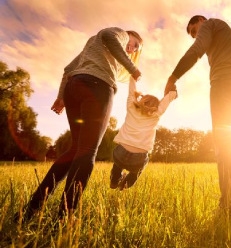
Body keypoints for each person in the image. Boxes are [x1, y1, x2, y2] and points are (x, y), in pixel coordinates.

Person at [15, 27, 143, 222]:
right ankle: (64, 217)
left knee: (75, 150)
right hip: (98, 88)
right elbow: (109, 35)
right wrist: (132, 68)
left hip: (75, 88)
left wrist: (61, 97)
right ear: (129, 35)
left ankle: (31, 209)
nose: (132, 49)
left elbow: (68, 70)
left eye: (135, 49)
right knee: (88, 151)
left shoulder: (93, 45)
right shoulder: (119, 33)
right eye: (134, 44)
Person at [164, 15, 231, 210]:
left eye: (195, 31)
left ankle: (229, 204)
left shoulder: (210, 24)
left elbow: (197, 50)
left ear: (201, 21)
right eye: (193, 34)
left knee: (226, 143)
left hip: (224, 84)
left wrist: (173, 77)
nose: (196, 36)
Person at [110, 77, 177, 190]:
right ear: (156, 106)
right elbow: (168, 99)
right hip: (139, 158)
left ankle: (114, 181)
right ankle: (125, 185)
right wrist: (172, 91)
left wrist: (133, 77)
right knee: (137, 171)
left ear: (142, 100)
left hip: (120, 153)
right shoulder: (156, 114)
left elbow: (131, 90)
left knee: (118, 164)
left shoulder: (131, 107)